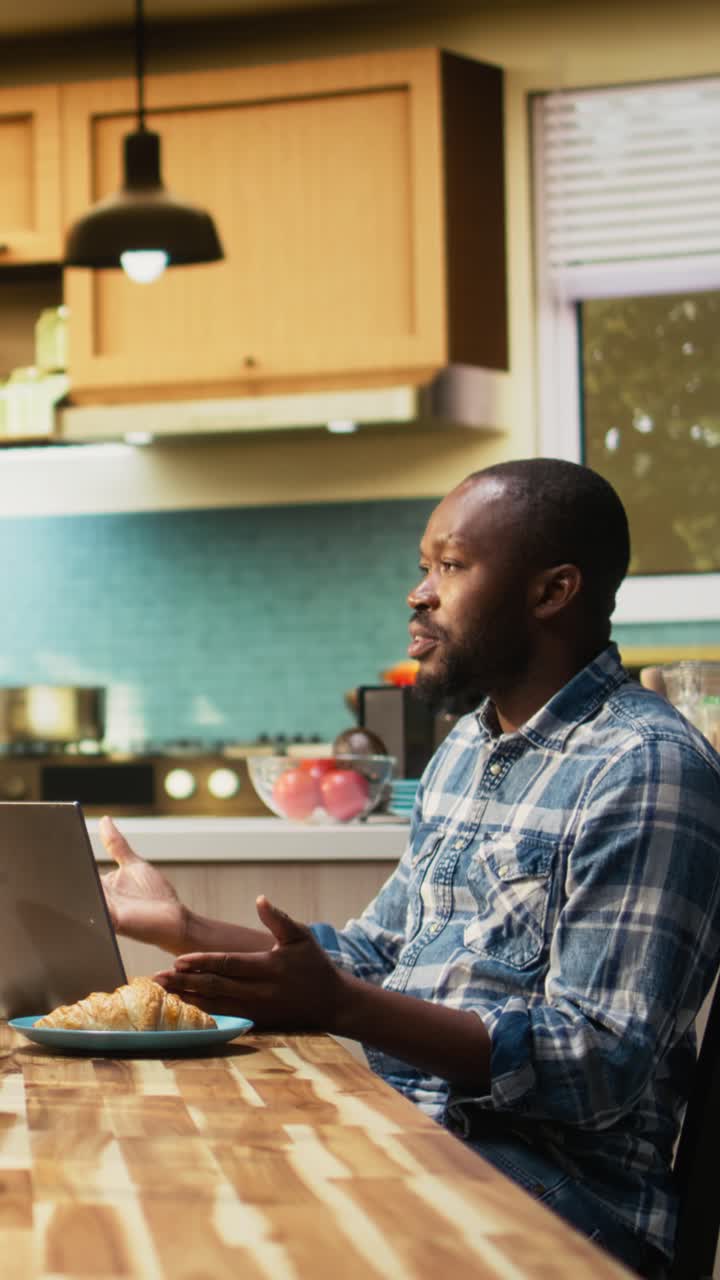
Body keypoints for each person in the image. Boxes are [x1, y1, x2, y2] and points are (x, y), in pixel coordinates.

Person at [100, 458, 720, 1279]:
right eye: (425, 567)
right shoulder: (470, 746)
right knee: (169, 1179)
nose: (418, 593)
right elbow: (372, 958)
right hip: (430, 1142)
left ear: (551, 592)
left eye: (451, 566)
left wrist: (346, 1008)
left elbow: (598, 1063)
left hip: (568, 1209)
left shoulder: (645, 767)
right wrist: (181, 928)